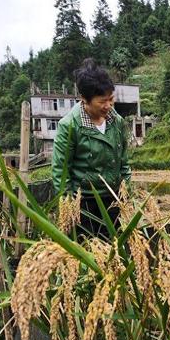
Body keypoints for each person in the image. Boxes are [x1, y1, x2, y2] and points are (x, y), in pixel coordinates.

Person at [52, 58, 132, 238]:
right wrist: (69, 209)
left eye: (111, 99)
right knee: (88, 252)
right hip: (84, 204)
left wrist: (127, 193)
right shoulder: (70, 126)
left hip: (113, 200)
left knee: (113, 251)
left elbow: (124, 162)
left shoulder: (116, 121)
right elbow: (61, 172)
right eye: (102, 101)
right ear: (84, 100)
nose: (108, 106)